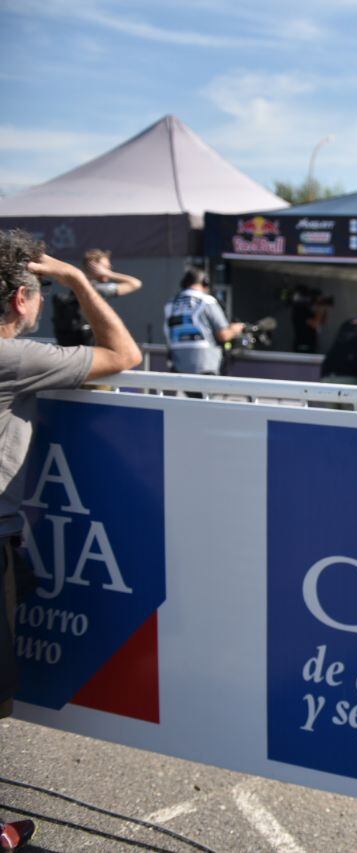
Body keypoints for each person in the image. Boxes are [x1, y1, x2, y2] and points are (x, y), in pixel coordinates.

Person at [0, 230, 141, 770]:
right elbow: (123, 353)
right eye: (40, 290)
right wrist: (79, 279)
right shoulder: (16, 357)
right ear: (21, 298)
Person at [51, 249, 142, 347]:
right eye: (106, 267)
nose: (109, 269)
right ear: (93, 266)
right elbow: (135, 283)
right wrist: (108, 274)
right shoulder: (98, 290)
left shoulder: (74, 284)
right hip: (90, 346)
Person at [163, 269, 243, 376]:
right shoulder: (206, 301)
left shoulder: (171, 303)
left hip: (178, 364)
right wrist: (236, 329)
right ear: (205, 282)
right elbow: (223, 335)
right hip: (205, 363)